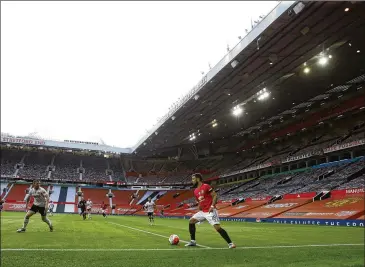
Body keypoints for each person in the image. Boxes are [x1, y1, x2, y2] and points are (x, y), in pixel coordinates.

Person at [185, 173, 236, 249]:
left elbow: (215, 195)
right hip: (203, 212)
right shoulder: (195, 191)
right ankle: (193, 241)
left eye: (193, 179)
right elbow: (199, 201)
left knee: (217, 228)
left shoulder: (206, 186)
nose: (192, 181)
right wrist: (199, 206)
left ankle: (230, 243)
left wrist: (212, 206)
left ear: (198, 179)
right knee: (191, 221)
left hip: (210, 211)